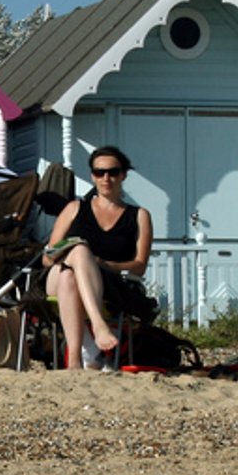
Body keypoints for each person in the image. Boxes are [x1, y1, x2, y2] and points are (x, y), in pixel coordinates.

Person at [42, 145, 153, 369]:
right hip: (54, 274)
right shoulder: (74, 208)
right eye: (99, 172)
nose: (106, 178)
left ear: (123, 174)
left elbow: (139, 266)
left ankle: (75, 360)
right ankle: (98, 324)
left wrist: (102, 264)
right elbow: (47, 257)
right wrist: (71, 254)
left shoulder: (139, 216)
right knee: (79, 251)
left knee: (69, 278)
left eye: (112, 172)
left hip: (104, 280)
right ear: (92, 176)